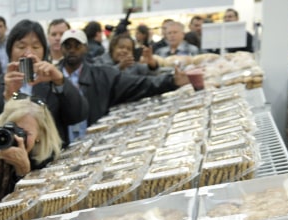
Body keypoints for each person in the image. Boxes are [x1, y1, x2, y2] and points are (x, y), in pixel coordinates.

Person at [0, 19, 88, 149]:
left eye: (36, 47)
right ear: (10, 51)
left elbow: (78, 115)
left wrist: (60, 81)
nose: (28, 53)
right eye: (21, 47)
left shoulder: (51, 83)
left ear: (44, 52)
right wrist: (7, 96)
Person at [57, 28, 189, 142]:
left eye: (77, 45)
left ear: (85, 48)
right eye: (68, 46)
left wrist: (171, 81)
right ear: (61, 48)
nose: (72, 50)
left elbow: (139, 84)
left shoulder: (101, 74)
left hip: (94, 142)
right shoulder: (49, 79)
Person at [0, 96, 62, 220]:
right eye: (10, 130)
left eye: (24, 133)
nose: (16, 138)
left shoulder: (48, 160)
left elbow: (39, 212)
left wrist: (24, 172)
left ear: (39, 135)